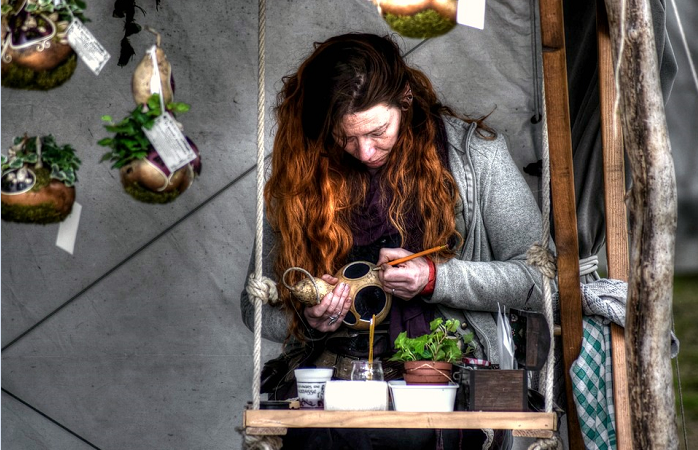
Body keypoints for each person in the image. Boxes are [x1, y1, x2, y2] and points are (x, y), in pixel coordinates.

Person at [241, 33, 545, 450]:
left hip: (443, 386)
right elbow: (255, 304)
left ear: (405, 99)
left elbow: (541, 283)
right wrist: (306, 318)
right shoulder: (300, 175)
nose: (364, 152)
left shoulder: (475, 157)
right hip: (328, 394)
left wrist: (438, 277)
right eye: (345, 137)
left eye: (378, 131)